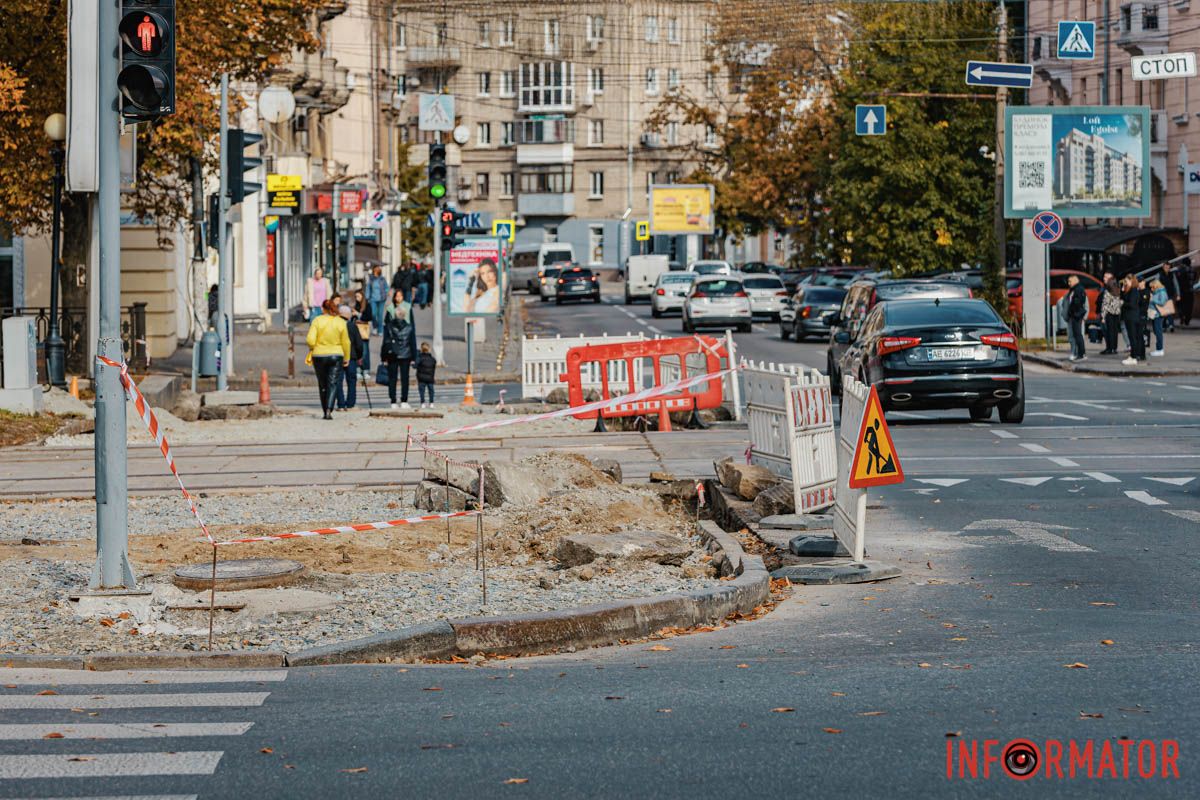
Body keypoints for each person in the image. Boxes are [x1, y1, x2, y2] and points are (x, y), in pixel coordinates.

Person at [305, 298, 350, 420]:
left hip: (319, 355)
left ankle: (324, 409)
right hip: (336, 355)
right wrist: (347, 357)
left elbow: (310, 339)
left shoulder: (317, 320)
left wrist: (313, 346)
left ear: (323, 309)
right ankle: (329, 409)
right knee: (333, 383)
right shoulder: (340, 322)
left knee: (322, 384)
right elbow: (346, 342)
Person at [382, 289, 415, 409]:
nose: (399, 298)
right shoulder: (409, 327)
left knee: (392, 378)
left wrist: (383, 356)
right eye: (397, 296)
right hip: (405, 354)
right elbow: (412, 340)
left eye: (401, 296)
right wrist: (414, 356)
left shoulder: (389, 327)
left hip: (392, 353)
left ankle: (393, 401)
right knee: (404, 378)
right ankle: (404, 400)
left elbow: (385, 340)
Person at [334, 304, 365, 409]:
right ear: (348, 315)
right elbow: (359, 344)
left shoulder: (335, 325)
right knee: (351, 380)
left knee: (338, 380)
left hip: (338, 355)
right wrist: (359, 356)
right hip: (352, 357)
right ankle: (351, 403)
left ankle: (341, 403)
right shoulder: (352, 326)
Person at [1121, 275, 1146, 365]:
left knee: (1133, 337)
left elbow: (1132, 304)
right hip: (1134, 316)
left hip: (1131, 317)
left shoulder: (1133, 291)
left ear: (1132, 281)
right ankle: (1138, 355)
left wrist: (1123, 303)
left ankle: (1133, 356)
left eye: (1126, 281)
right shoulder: (1133, 291)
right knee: (1136, 336)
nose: (1125, 283)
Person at [1064, 274, 1088, 362]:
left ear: (1075, 281)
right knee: (1075, 335)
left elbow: (1077, 303)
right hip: (1074, 315)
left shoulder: (1078, 289)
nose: (1068, 283)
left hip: (1076, 315)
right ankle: (1079, 354)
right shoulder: (1073, 290)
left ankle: (1081, 354)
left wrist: (1072, 311)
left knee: (1078, 335)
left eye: (1070, 281)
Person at [1100, 277, 1122, 355]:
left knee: (1109, 331)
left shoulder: (1107, 292)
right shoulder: (1118, 291)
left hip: (1109, 313)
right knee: (1115, 332)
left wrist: (1103, 316)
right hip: (1116, 313)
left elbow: (1105, 305)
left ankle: (1109, 348)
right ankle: (1114, 348)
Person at [366, 266, 389, 335]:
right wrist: (367, 297)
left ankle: (380, 330)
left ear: (379, 272)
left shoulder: (382, 279)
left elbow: (386, 287)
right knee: (373, 314)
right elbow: (368, 288)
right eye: (374, 271)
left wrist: (386, 293)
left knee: (380, 315)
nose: (375, 272)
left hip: (381, 299)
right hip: (373, 299)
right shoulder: (371, 279)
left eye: (376, 271)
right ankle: (375, 327)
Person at [1148, 279, 1168, 357]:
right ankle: (1159, 349)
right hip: (1155, 314)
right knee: (1156, 331)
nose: (1151, 289)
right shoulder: (1157, 292)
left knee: (1158, 332)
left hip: (1158, 315)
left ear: (1156, 285)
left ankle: (1160, 349)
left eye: (1152, 287)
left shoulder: (1161, 292)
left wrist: (1152, 299)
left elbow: (1162, 302)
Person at [415, 342, 437, 409]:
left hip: (421, 378)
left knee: (422, 391)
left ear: (421, 349)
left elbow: (414, 365)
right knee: (431, 391)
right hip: (430, 378)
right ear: (429, 349)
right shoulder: (432, 359)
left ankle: (422, 403)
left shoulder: (419, 358)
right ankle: (431, 403)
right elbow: (434, 366)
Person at [1161, 263, 1180, 332]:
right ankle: (1164, 325)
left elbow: (1176, 285)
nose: (1167, 269)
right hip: (1162, 295)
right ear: (1163, 267)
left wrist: (1178, 295)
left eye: (1168, 267)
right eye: (1165, 267)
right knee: (1164, 312)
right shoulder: (1159, 275)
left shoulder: (1172, 275)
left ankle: (1171, 325)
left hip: (1170, 295)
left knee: (1170, 311)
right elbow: (1155, 284)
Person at [1177, 259, 1195, 326]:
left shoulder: (1181, 270)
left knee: (1181, 305)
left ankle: (1182, 317)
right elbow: (1194, 278)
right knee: (1189, 306)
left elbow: (1179, 279)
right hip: (1190, 291)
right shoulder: (1193, 270)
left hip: (1183, 291)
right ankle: (1187, 320)